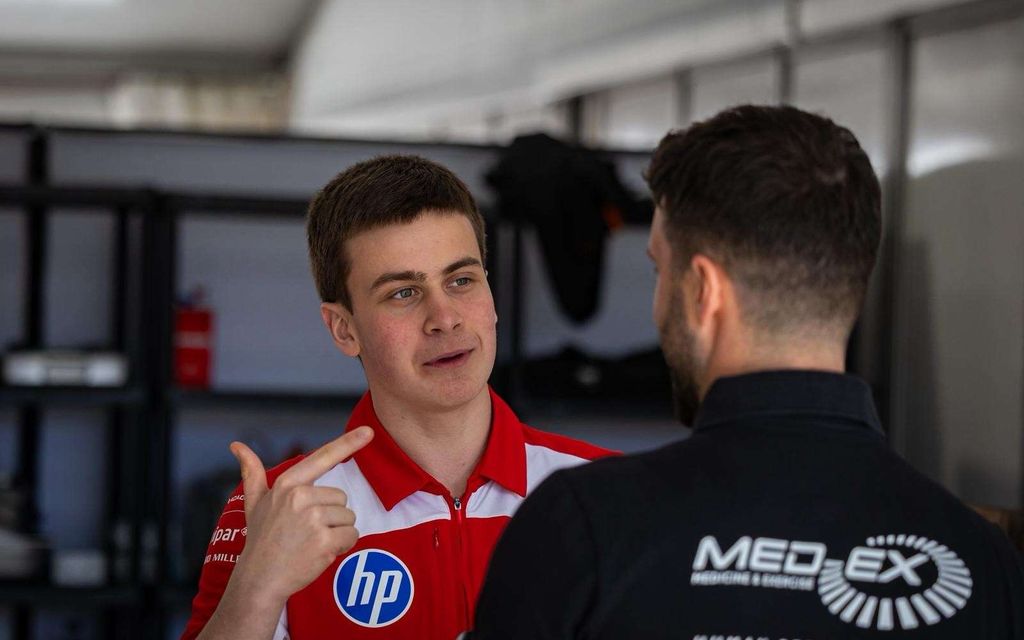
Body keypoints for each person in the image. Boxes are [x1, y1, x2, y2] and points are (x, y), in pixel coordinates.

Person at [470, 105, 1024, 639]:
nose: (657, 305)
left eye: (660, 270)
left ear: (703, 290)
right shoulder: (984, 564)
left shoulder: (582, 529)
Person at [181, 155, 613, 640]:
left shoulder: (607, 490)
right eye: (403, 293)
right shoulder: (275, 508)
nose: (444, 318)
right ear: (344, 329)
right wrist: (257, 587)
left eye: (462, 280)